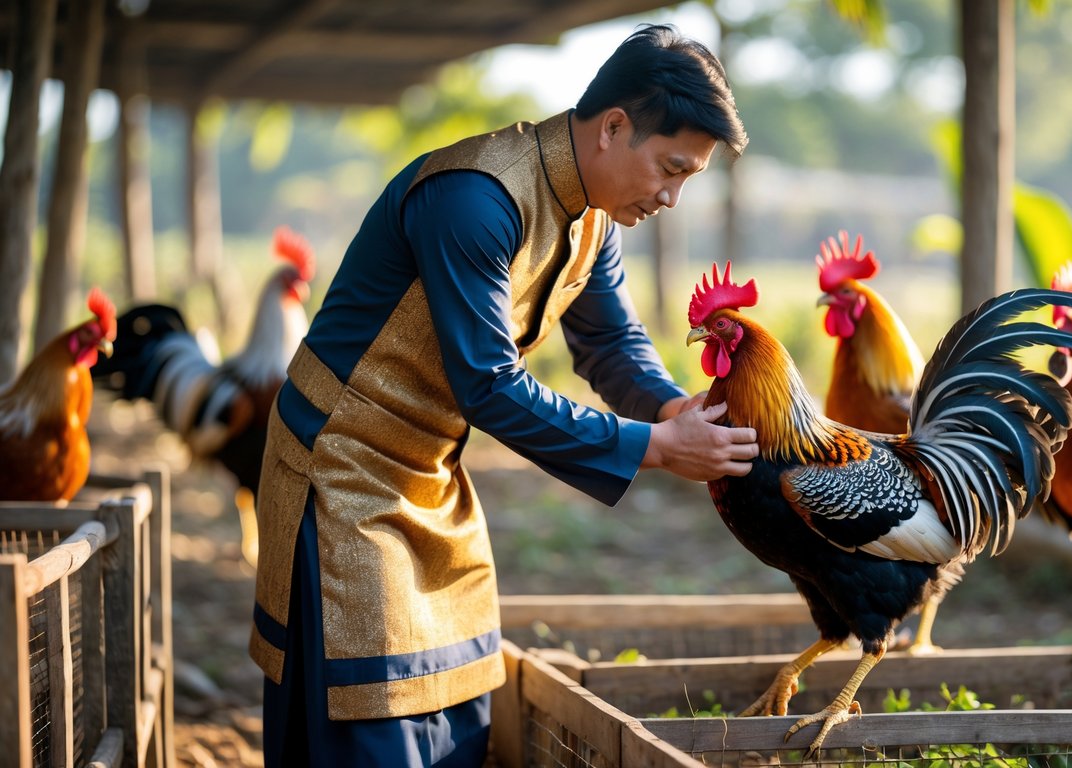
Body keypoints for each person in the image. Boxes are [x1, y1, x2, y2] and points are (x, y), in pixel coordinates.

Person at [251, 23, 757, 767]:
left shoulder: (594, 219)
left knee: (453, 701)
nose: (672, 198)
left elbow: (611, 344)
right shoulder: (474, 196)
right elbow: (489, 385)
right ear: (614, 127)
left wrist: (670, 407)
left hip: (429, 471)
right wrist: (653, 448)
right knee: (367, 710)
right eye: (671, 169)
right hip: (340, 469)